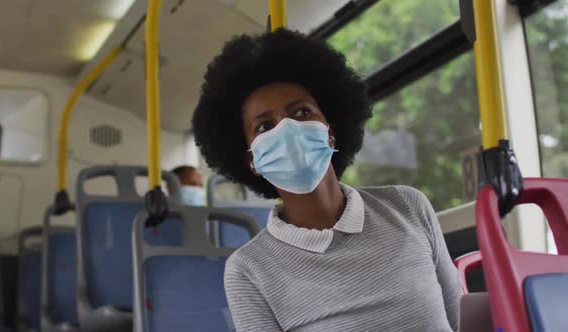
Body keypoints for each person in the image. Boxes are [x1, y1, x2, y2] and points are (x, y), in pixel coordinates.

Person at [192, 29, 461, 332]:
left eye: (302, 112)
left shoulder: (408, 207)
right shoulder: (248, 270)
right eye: (264, 126)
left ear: (330, 130)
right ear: (252, 160)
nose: (288, 130)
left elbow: (461, 320)